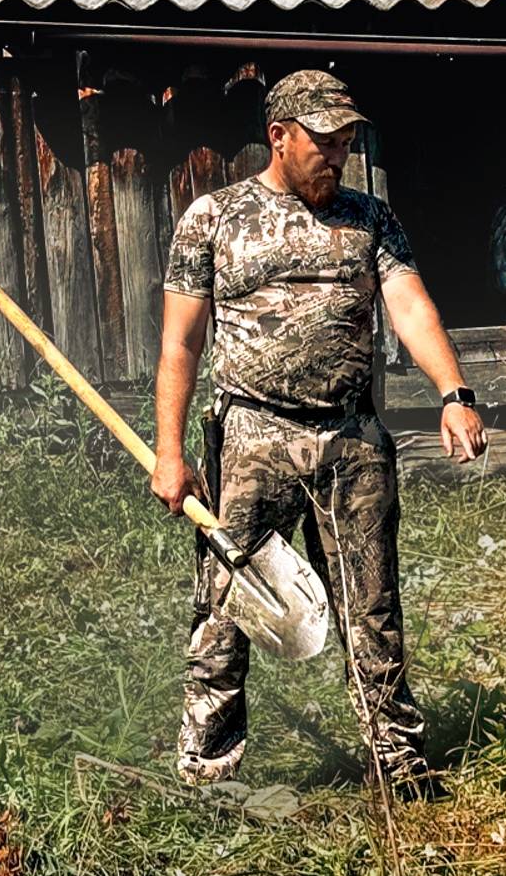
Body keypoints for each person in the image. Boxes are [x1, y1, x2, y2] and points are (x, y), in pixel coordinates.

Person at [150, 68, 488, 792]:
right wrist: (171, 454)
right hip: (250, 441)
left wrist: (454, 392)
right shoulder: (213, 220)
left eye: (346, 144)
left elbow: (412, 309)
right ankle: (208, 770)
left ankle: (397, 763)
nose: (337, 158)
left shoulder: (372, 220)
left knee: (372, 607)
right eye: (324, 143)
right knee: (224, 611)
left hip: (352, 443)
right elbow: (179, 343)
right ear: (280, 136)